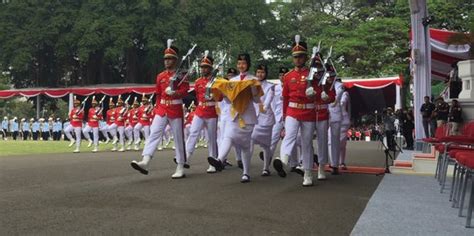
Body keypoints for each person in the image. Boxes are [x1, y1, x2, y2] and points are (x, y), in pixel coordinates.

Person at [131, 39, 190, 179]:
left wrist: (175, 92)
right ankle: (145, 161)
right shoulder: (160, 76)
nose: (167, 61)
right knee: (153, 134)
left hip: (175, 108)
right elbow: (157, 94)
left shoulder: (181, 74)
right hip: (162, 108)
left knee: (178, 138)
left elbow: (186, 90)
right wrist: (157, 108)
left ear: (175, 60)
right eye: (165, 59)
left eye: (170, 59)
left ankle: (181, 165)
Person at [273, 35, 323, 186]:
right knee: (289, 136)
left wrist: (315, 93)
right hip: (292, 111)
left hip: (308, 112)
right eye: (295, 57)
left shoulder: (313, 74)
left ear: (306, 57)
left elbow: (321, 92)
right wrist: (284, 115)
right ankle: (283, 161)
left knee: (306, 143)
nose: (298, 60)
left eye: (301, 57)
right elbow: (285, 97)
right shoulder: (288, 76)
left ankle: (307, 173)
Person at [207, 53, 262, 183]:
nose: (241, 66)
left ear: (248, 64)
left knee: (245, 146)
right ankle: (219, 160)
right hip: (234, 115)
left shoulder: (253, 79)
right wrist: (219, 92)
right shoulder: (232, 81)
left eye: (243, 63)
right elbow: (226, 100)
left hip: (247, 116)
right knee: (228, 136)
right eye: (239, 63)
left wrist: (253, 89)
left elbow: (256, 100)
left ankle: (246, 173)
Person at [185, 51, 221, 173]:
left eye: (206, 67)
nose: (204, 69)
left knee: (211, 138)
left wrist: (214, 96)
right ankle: (186, 157)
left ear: (211, 68)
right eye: (202, 67)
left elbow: (221, 97)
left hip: (211, 111)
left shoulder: (217, 81)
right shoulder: (198, 81)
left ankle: (213, 162)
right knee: (193, 132)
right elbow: (197, 96)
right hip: (200, 111)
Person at [250, 64, 275, 176]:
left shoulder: (270, 86)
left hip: (265, 118)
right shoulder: (251, 84)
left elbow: (268, 101)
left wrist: (263, 107)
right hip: (253, 117)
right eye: (258, 72)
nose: (260, 74)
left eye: (262, 72)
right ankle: (246, 167)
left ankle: (266, 167)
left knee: (266, 145)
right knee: (250, 139)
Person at [339, 88, 351, 169]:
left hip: (343, 120)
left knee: (342, 143)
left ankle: (341, 162)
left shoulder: (344, 94)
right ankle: (335, 162)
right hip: (331, 119)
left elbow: (342, 103)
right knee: (332, 143)